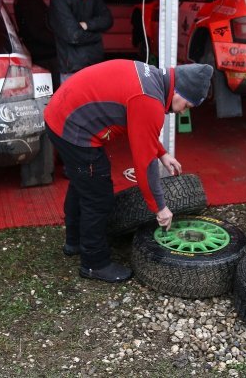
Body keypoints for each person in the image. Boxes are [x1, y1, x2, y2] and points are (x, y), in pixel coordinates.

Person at [44, 59, 214, 283]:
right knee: (98, 196)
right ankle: (94, 264)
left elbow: (140, 127)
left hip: (60, 114)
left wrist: (161, 153)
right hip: (73, 127)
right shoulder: (149, 101)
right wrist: (160, 208)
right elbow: (144, 165)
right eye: (188, 106)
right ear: (180, 91)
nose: (183, 112)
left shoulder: (153, 79)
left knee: (82, 182)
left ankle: (74, 242)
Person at [49, 0, 113, 83]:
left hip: (94, 64)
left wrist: (87, 24)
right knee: (74, 104)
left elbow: (108, 19)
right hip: (72, 68)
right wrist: (97, 36)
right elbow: (73, 35)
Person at [14, 0, 59, 88]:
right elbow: (36, 31)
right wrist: (57, 42)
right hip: (43, 54)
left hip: (40, 51)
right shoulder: (29, 0)